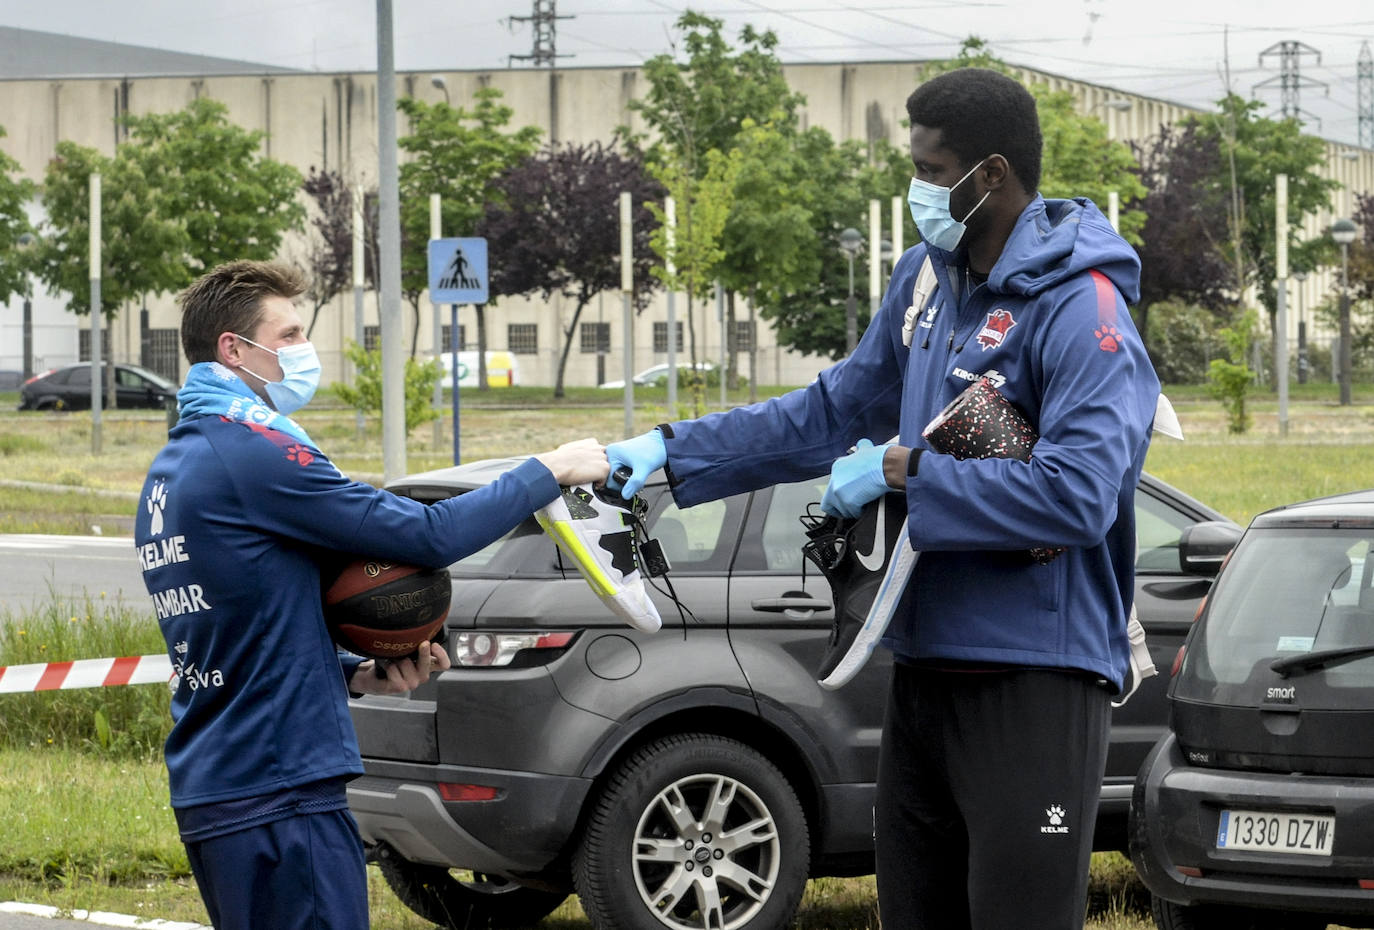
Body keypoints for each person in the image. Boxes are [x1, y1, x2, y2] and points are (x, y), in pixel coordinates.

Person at [607, 68, 1160, 928]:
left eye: (934, 173)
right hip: (924, 663)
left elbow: (1080, 497)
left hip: (1037, 678)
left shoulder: (1083, 309)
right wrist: (672, 454)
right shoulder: (926, 283)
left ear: (993, 176)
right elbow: (829, 411)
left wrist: (906, 474)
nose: (918, 190)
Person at [134, 259, 608, 930]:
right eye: (290, 334)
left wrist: (359, 674)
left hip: (221, 786)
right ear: (233, 349)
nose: (304, 352)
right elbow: (426, 535)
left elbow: (234, 629)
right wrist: (546, 470)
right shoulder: (253, 453)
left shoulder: (171, 472)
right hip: (282, 791)